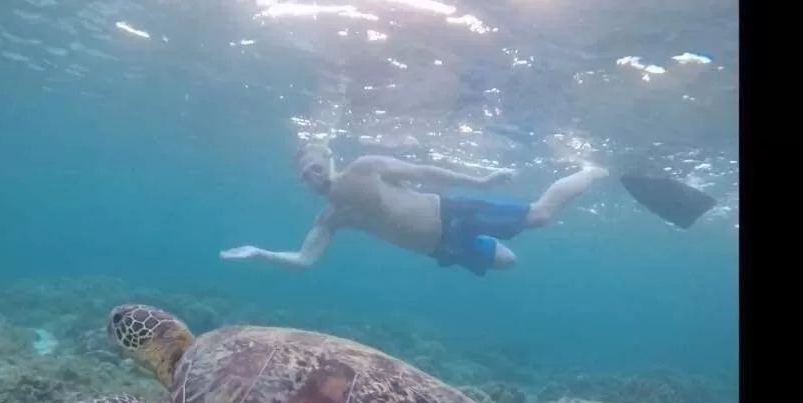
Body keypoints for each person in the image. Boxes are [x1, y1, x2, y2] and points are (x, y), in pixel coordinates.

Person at [219, 142, 610, 276]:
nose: (313, 174)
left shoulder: (366, 168)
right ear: (302, 181)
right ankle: (488, 239)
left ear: (330, 161)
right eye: (306, 173)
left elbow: (423, 170)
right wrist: (261, 253)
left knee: (539, 216)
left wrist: (481, 182)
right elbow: (305, 260)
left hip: (452, 213)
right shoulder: (331, 217)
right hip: (441, 248)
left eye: (316, 165)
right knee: (509, 263)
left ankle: (591, 169)